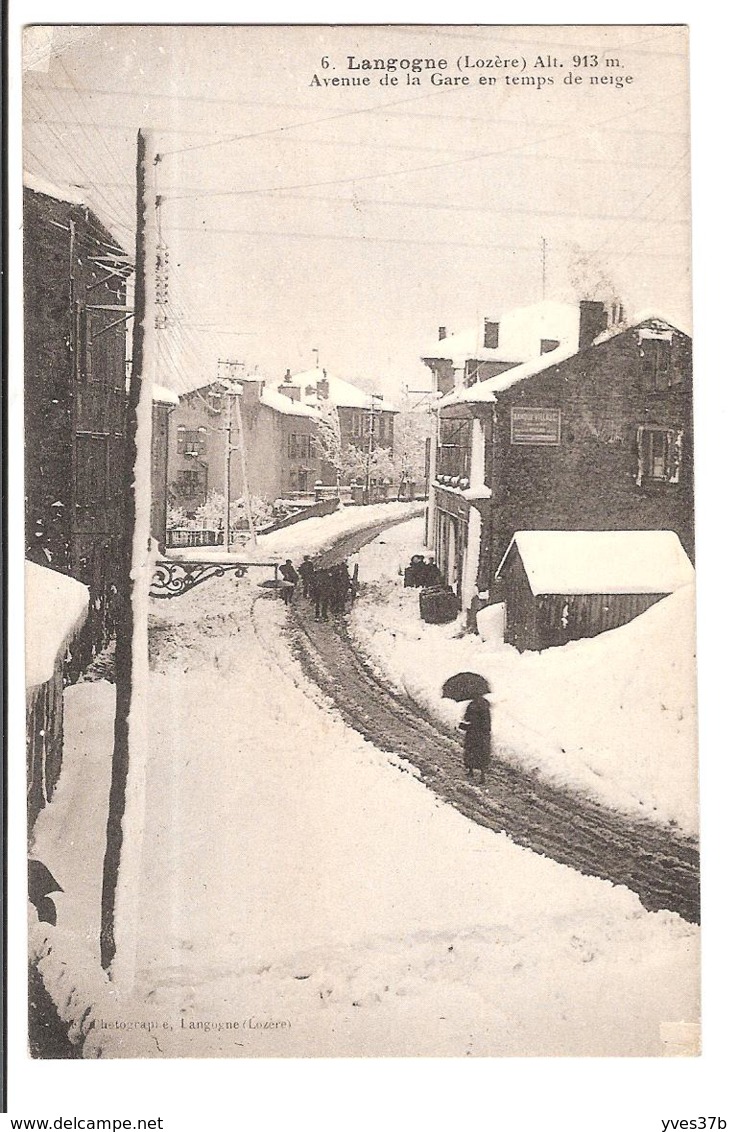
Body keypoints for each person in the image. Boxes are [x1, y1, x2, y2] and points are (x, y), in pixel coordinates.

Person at [459, 695, 491, 786]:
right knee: (482, 754)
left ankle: (471, 771)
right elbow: (486, 725)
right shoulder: (485, 706)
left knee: (470, 752)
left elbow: (468, 720)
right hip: (483, 736)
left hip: (473, 735)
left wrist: (464, 726)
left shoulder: (472, 706)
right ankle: (482, 775)